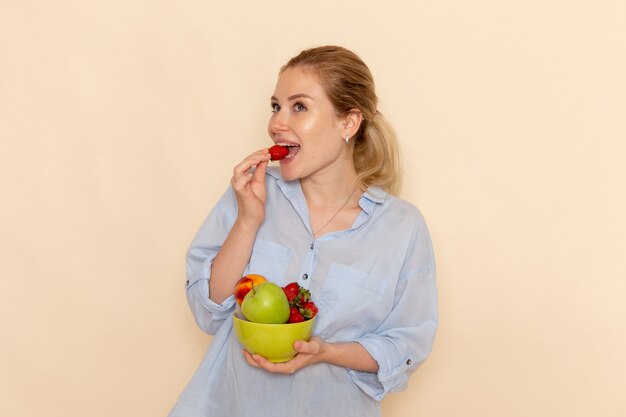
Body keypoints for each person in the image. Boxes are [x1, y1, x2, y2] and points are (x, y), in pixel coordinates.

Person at [169, 45, 438, 417]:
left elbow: (407, 344)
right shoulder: (250, 194)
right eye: (275, 106)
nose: (277, 123)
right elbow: (208, 312)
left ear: (348, 123)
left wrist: (326, 352)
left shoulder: (402, 227)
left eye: (299, 106)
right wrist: (248, 220)